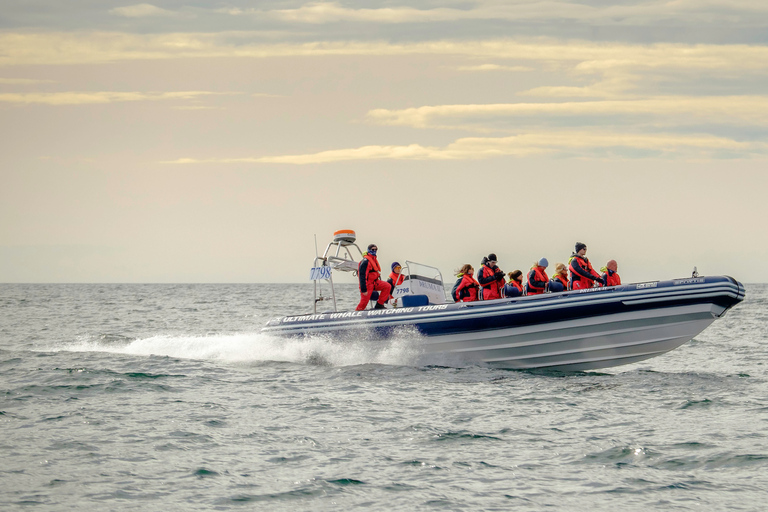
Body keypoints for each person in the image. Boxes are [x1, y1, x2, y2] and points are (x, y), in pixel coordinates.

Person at [355, 244, 391, 310]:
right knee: (364, 302)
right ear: (369, 250)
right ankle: (357, 314)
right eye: (372, 249)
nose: (374, 251)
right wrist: (364, 289)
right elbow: (362, 276)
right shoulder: (365, 262)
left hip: (375, 282)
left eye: (375, 250)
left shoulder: (374, 260)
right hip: (367, 284)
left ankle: (379, 305)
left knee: (387, 286)